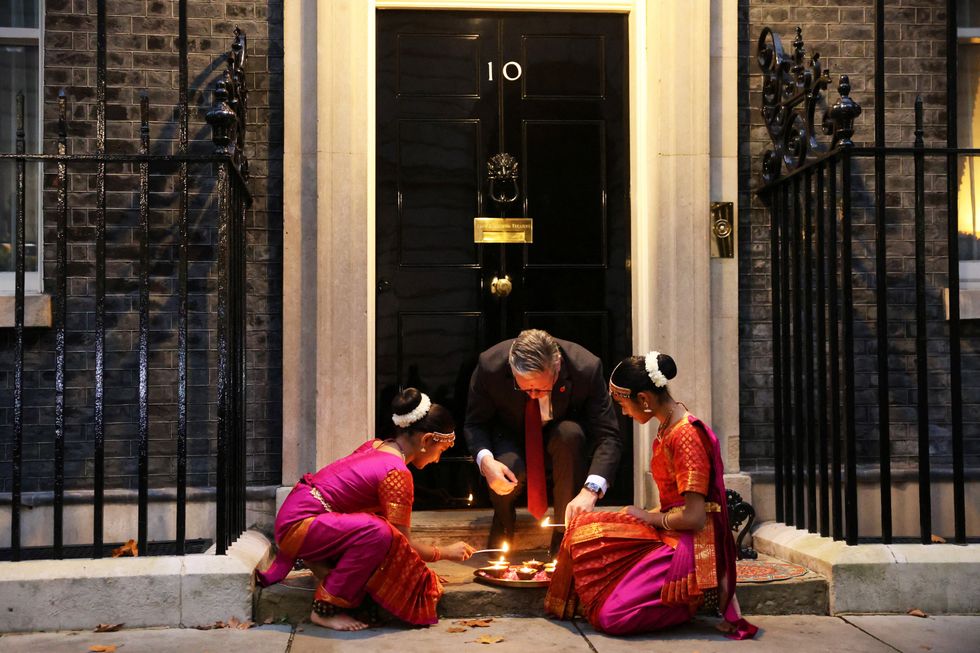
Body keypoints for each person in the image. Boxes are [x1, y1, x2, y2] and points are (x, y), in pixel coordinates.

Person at [544, 352, 757, 639]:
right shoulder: (667, 426)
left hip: (688, 544)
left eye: (623, 404)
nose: (624, 413)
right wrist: (641, 516)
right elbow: (673, 500)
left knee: (611, 617)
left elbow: (694, 517)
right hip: (669, 529)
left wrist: (647, 517)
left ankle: (685, 600)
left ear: (643, 399)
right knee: (582, 527)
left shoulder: (686, 437)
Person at [255, 388, 475, 631]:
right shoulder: (397, 474)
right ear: (426, 441)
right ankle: (325, 609)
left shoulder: (377, 446)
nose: (437, 459)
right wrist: (445, 552)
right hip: (301, 526)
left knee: (379, 529)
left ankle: (322, 563)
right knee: (380, 532)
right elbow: (403, 542)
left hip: (297, 515)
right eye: (441, 451)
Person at [464, 329, 622, 554]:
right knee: (508, 465)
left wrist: (591, 490)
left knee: (570, 435)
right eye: (524, 387)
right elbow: (475, 423)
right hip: (510, 435)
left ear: (556, 365)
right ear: (510, 368)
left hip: (561, 437)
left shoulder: (586, 367)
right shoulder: (490, 365)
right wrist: (484, 460)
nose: (532, 394)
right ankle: (503, 521)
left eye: (541, 388)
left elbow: (609, 435)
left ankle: (563, 534)